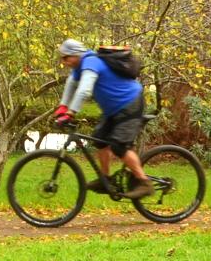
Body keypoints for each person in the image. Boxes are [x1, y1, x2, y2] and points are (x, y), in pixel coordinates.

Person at [51, 38, 152, 199]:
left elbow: (84, 91)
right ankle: (106, 180)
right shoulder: (79, 67)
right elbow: (71, 84)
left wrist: (70, 113)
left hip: (130, 103)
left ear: (76, 54)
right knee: (100, 140)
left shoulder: (91, 63)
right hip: (113, 110)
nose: (64, 62)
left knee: (119, 146)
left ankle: (144, 182)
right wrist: (62, 107)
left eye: (66, 58)